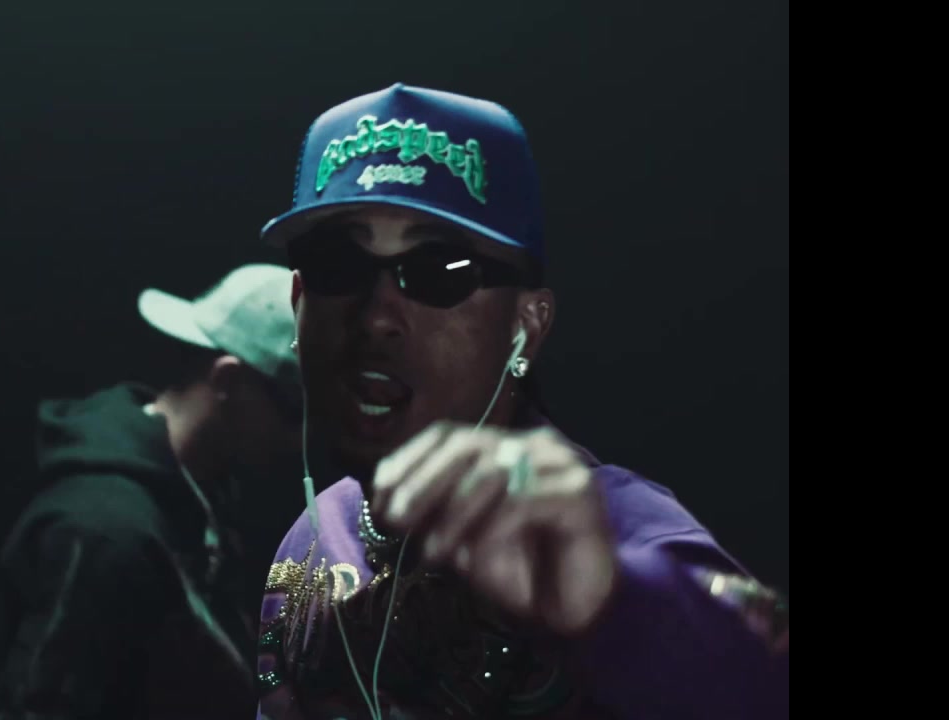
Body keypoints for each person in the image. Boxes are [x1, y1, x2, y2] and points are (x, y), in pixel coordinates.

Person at [253, 84, 788, 720]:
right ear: (297, 303)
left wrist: (619, 606)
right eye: (337, 263)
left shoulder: (619, 532)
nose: (377, 318)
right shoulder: (313, 533)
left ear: (525, 327)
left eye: (440, 271)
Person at [0, 263, 304, 720]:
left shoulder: (201, 499)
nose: (302, 437)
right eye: (295, 408)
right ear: (229, 382)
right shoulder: (103, 529)